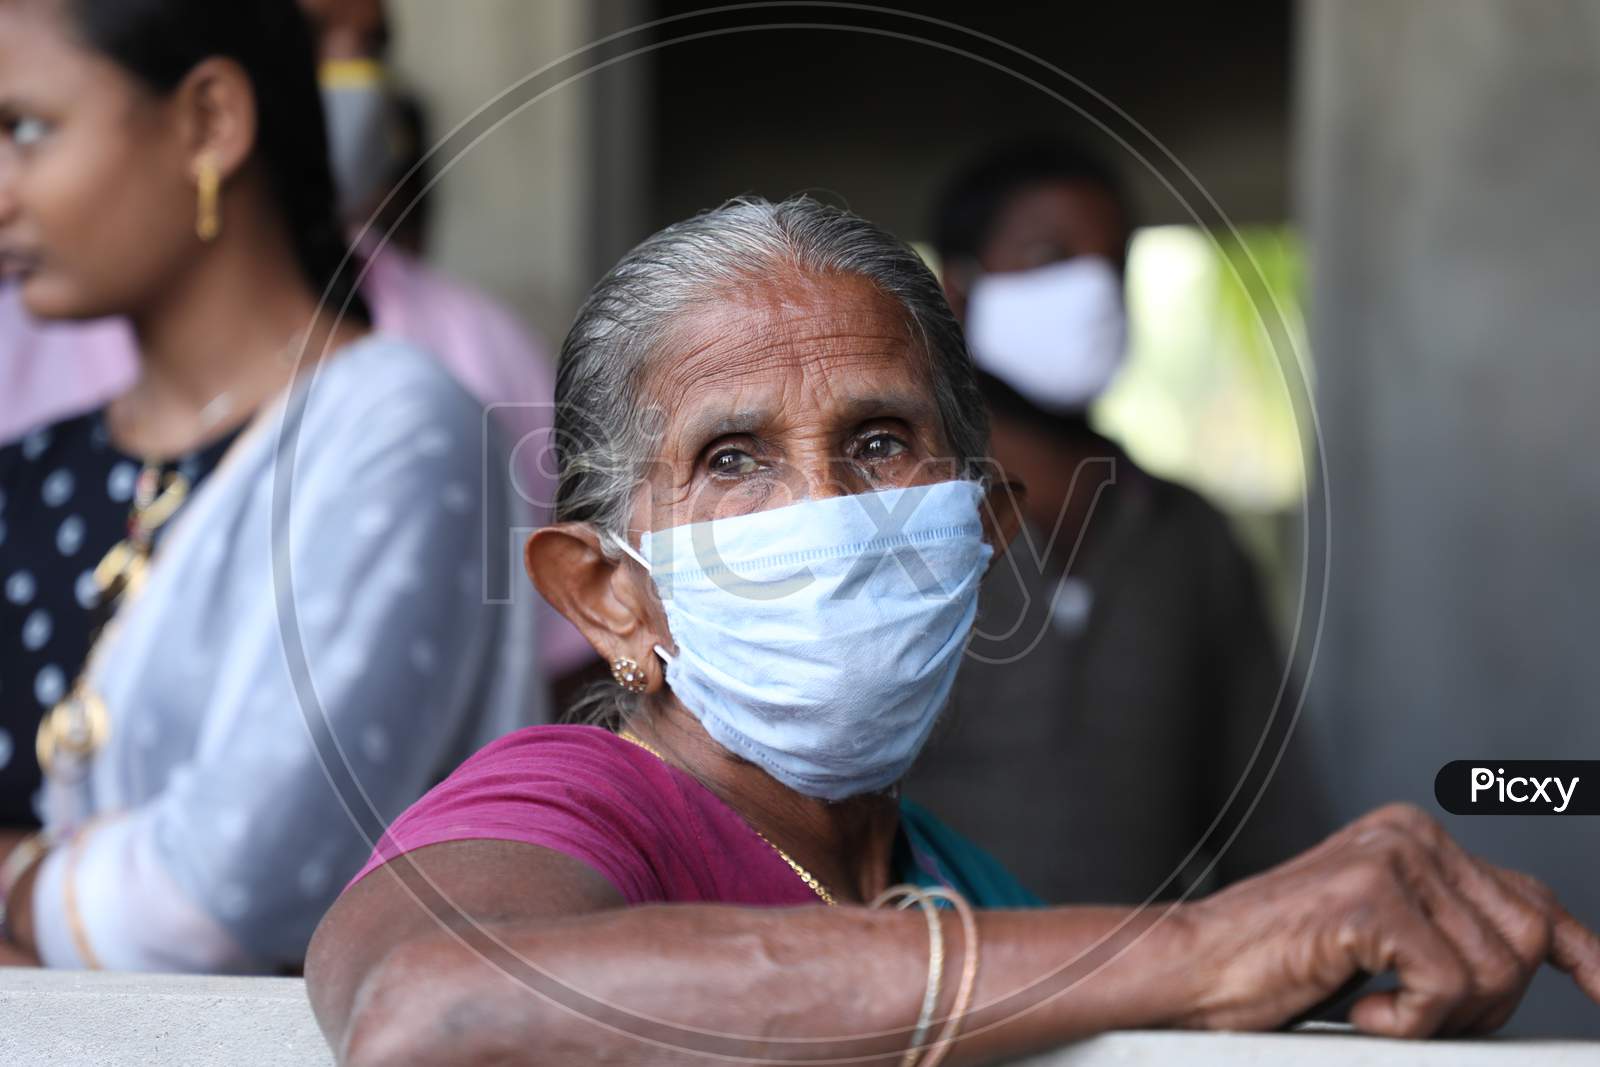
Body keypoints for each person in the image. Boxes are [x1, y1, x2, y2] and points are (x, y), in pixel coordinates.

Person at [306, 197, 1600, 1065]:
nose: (826, 507)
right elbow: (437, 1002)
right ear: (609, 594)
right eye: (734, 457)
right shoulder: (576, 794)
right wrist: (1205, 942)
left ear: (979, 527)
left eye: (878, 440)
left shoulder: (961, 882)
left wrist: (1344, 975)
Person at [0, 0, 539, 972]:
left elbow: (220, 900)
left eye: (25, 130)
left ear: (209, 120)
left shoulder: (398, 434)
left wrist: (17, 886)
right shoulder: (26, 468)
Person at [0, 0, 596, 685]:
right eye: (316, 34)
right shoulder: (29, 398)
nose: (348, 77)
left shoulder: (429, 396)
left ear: (213, 119)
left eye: (31, 129)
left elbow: (570, 675)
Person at [903, 138, 1327, 904]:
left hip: (1154, 1009)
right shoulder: (884, 524)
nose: (1092, 290)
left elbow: (1271, 825)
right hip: (927, 1002)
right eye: (1048, 256)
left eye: (1112, 261)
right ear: (955, 293)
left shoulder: (1189, 537)